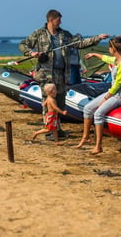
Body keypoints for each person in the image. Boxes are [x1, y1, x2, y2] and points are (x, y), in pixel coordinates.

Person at [19, 9, 109, 140]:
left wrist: (97, 38)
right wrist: (31, 53)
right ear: (51, 20)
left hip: (62, 73)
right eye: (58, 20)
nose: (60, 22)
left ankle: (57, 128)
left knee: (60, 102)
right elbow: (23, 45)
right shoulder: (38, 34)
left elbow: (79, 44)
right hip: (45, 74)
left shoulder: (65, 35)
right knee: (49, 102)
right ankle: (49, 130)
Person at [76, 36, 121, 155]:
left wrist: (106, 98)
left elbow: (118, 84)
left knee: (98, 113)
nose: (108, 50)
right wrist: (94, 54)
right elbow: (106, 58)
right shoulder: (116, 60)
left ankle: (98, 146)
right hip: (113, 93)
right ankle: (85, 137)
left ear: (113, 48)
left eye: (109, 47)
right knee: (87, 108)